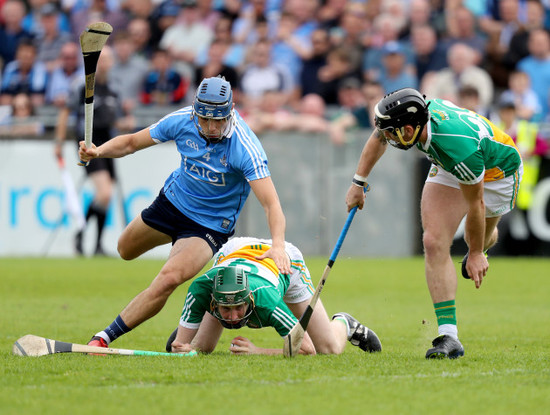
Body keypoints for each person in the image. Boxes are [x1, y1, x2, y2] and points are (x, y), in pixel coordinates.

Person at [78, 75, 291, 349]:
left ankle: (103, 338)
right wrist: (98, 151)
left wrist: (278, 245)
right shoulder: (182, 120)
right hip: (171, 204)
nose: (211, 127)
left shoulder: (245, 148)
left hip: (208, 226)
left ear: (231, 112)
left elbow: (271, 204)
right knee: (124, 249)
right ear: (195, 111)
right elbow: (131, 143)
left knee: (168, 279)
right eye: (204, 120)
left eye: (218, 120)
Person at [345, 88, 523, 359]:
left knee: (476, 240)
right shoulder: (414, 122)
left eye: (393, 132)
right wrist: (358, 182)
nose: (389, 137)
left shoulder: (457, 147)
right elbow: (378, 136)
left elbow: (476, 204)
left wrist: (475, 253)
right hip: (451, 162)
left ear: (409, 129)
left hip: (498, 171)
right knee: (433, 241)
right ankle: (450, 338)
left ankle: (483, 243)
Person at [166, 237, 382, 355]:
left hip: (286, 263)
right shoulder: (202, 289)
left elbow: (307, 350)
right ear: (213, 300)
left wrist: (257, 351)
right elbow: (179, 351)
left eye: (238, 308)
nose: (233, 317)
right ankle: (193, 321)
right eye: (226, 309)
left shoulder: (266, 299)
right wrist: (184, 347)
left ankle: (345, 323)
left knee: (328, 349)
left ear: (249, 299)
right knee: (202, 348)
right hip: (235, 251)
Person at [54, 45, 121, 257]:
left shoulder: (112, 87)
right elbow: (66, 112)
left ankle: (97, 244)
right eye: (103, 59)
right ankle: (81, 233)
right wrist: (59, 142)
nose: (106, 63)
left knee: (106, 197)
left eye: (109, 59)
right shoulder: (82, 86)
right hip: (88, 144)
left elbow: (113, 117)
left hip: (107, 143)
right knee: (104, 192)